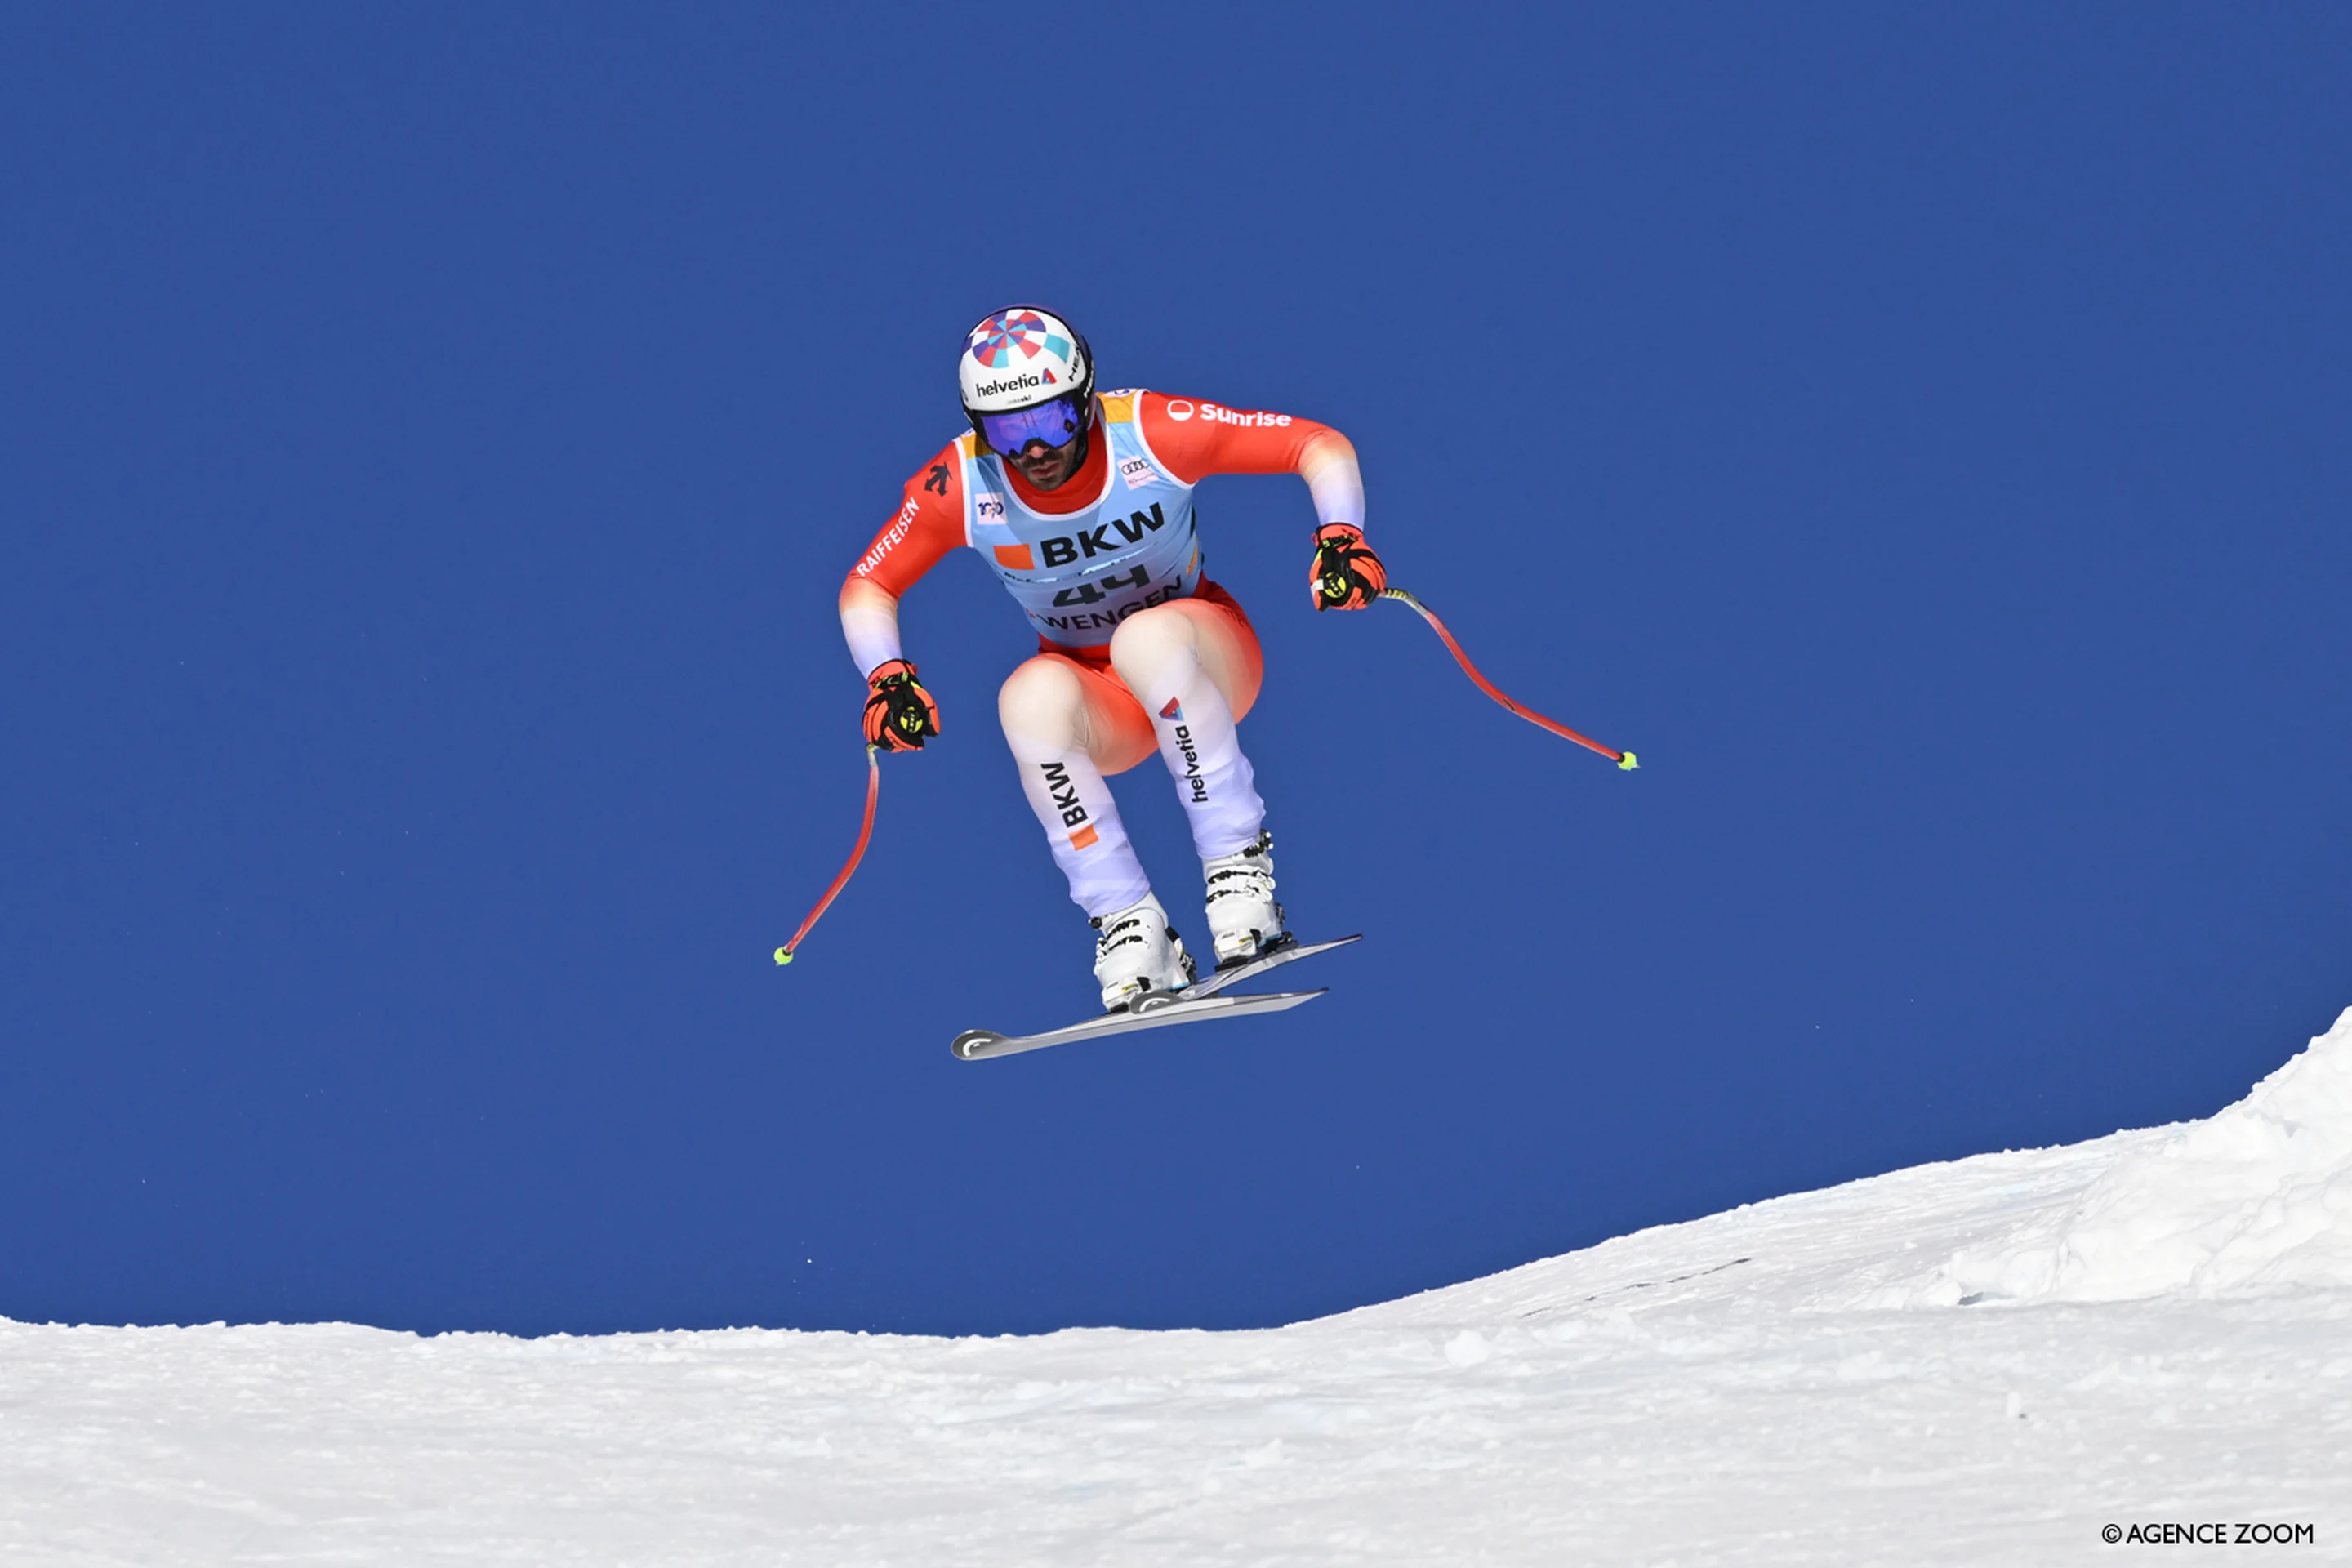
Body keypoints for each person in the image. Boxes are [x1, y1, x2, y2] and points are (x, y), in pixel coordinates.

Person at [839, 305, 1387, 1013]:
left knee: (1144, 639)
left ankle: (1238, 873)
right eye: (1008, 432)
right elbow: (868, 583)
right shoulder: (964, 484)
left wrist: (1342, 535)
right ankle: (1129, 924)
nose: (1034, 450)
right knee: (1026, 697)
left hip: (1203, 655)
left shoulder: (1151, 432)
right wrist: (887, 675)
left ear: (1087, 398)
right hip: (1104, 701)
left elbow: (1318, 443)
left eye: (1053, 422)